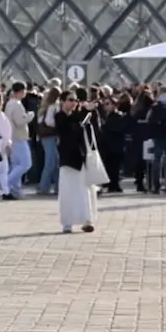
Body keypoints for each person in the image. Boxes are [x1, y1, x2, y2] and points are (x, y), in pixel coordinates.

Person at [54, 92, 97, 233]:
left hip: (80, 157)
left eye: (75, 100)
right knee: (68, 191)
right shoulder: (59, 117)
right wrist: (82, 117)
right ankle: (67, 222)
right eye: (70, 100)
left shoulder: (77, 115)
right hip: (67, 159)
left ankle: (86, 220)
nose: (73, 103)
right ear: (62, 101)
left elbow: (88, 129)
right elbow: (67, 131)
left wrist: (87, 112)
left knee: (84, 190)